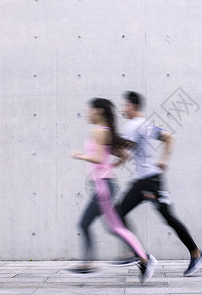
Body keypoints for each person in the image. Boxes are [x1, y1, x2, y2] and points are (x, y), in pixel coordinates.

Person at [114, 91, 202, 277]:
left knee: (119, 213)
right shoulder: (147, 125)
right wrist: (164, 160)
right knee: (168, 218)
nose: (123, 109)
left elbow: (124, 152)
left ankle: (140, 255)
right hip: (148, 180)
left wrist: (109, 150)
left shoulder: (132, 125)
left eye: (125, 105)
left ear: (132, 106)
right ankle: (194, 254)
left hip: (147, 182)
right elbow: (168, 137)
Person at [69, 98, 157, 283]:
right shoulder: (106, 132)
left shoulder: (99, 131)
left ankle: (142, 258)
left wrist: (80, 156)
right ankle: (141, 257)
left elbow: (99, 158)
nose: (87, 114)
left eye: (90, 110)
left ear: (99, 111)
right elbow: (122, 155)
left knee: (98, 225)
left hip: (103, 186)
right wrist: (111, 166)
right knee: (108, 226)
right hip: (104, 184)